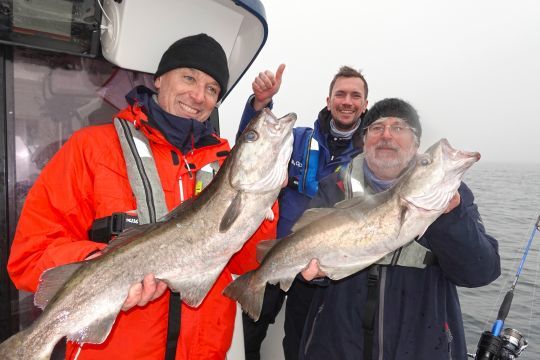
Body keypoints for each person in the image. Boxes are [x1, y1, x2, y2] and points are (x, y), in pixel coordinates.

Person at [7, 33, 277, 360]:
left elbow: (247, 262)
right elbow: (29, 254)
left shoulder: (226, 166)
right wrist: (101, 267)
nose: (198, 95)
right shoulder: (91, 148)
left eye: (212, 89)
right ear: (160, 79)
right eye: (189, 77)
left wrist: (263, 199)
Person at [298, 98, 501, 360]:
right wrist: (317, 273)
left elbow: (481, 272)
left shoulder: (452, 196)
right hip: (337, 347)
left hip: (422, 348)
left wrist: (451, 218)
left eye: (399, 128)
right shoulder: (333, 188)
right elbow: (307, 255)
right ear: (364, 140)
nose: (386, 135)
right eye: (376, 127)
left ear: (416, 144)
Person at [236, 64, 369, 360]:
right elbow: (251, 149)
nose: (347, 101)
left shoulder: (370, 157)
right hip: (275, 255)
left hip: (323, 270)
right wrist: (260, 104)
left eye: (355, 96)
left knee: (301, 345)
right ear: (329, 100)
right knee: (247, 337)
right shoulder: (296, 138)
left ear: (364, 105)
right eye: (341, 94)